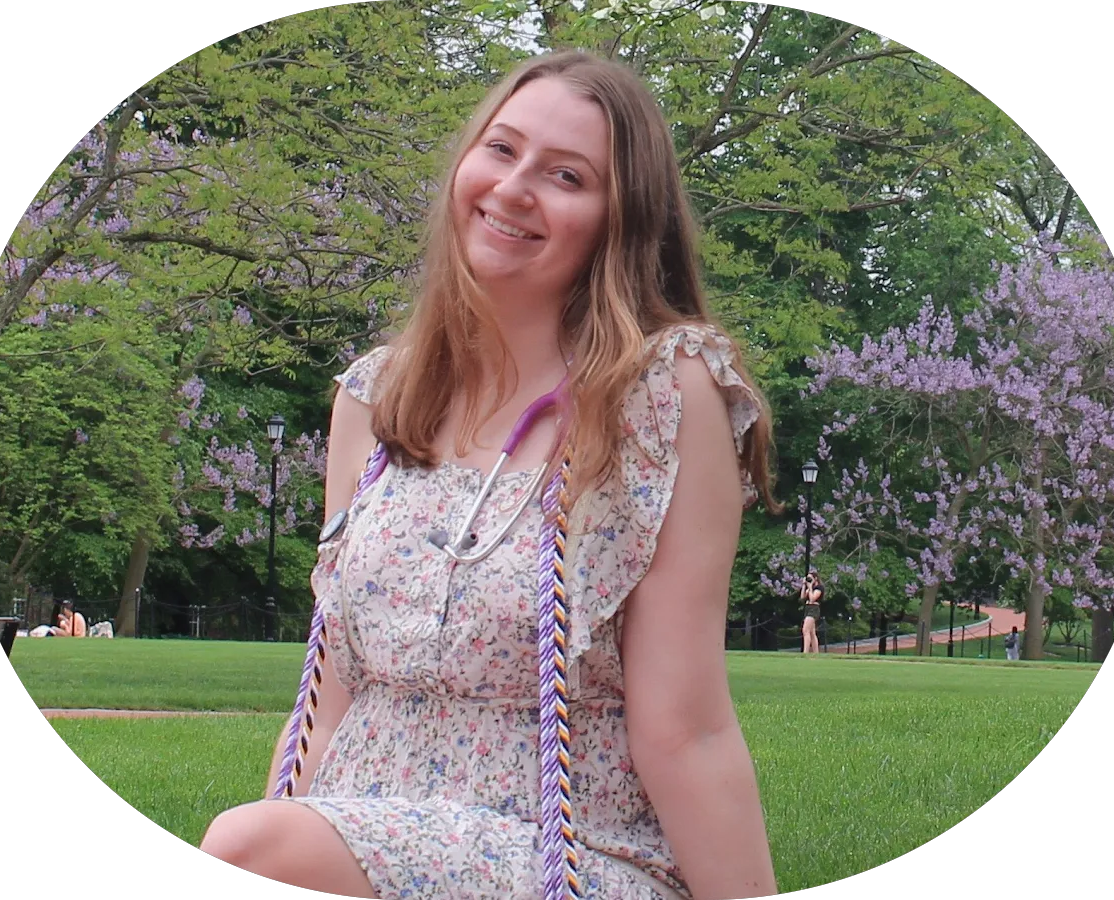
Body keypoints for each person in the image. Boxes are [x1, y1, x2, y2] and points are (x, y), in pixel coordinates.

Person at [200, 49, 783, 900]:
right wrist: (281, 830)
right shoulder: (375, 398)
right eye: (502, 150)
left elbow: (684, 729)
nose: (514, 188)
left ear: (620, 222)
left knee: (251, 841)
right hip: (349, 833)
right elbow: (328, 698)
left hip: (567, 854)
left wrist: (265, 844)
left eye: (566, 176)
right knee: (257, 839)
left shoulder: (662, 396)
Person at [799, 572, 822, 654]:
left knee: (805, 630)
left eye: (810, 578)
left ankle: (805, 652)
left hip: (814, 609)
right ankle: (816, 653)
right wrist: (804, 585)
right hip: (808, 608)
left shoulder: (819, 588)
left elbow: (812, 599)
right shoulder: (810, 588)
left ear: (815, 578)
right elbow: (802, 597)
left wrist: (810, 587)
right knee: (812, 633)